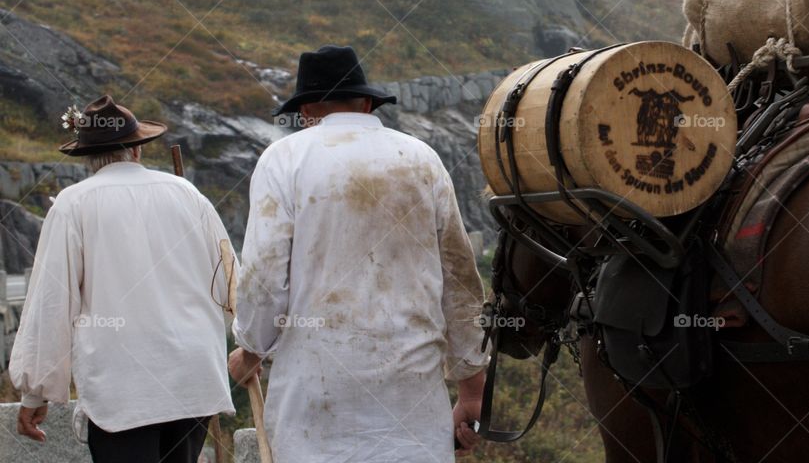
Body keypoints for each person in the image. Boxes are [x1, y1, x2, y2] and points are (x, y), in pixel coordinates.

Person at [229, 45, 488, 462]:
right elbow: (460, 281)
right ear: (367, 103)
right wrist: (472, 392)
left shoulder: (284, 160)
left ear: (306, 109)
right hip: (412, 406)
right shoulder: (421, 160)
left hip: (315, 404)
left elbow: (263, 283)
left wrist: (250, 351)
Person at [9, 95, 236, 462]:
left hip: (124, 388)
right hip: (193, 380)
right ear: (136, 150)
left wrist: (36, 393)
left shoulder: (73, 204)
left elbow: (52, 302)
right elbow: (229, 283)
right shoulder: (188, 194)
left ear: (86, 159)